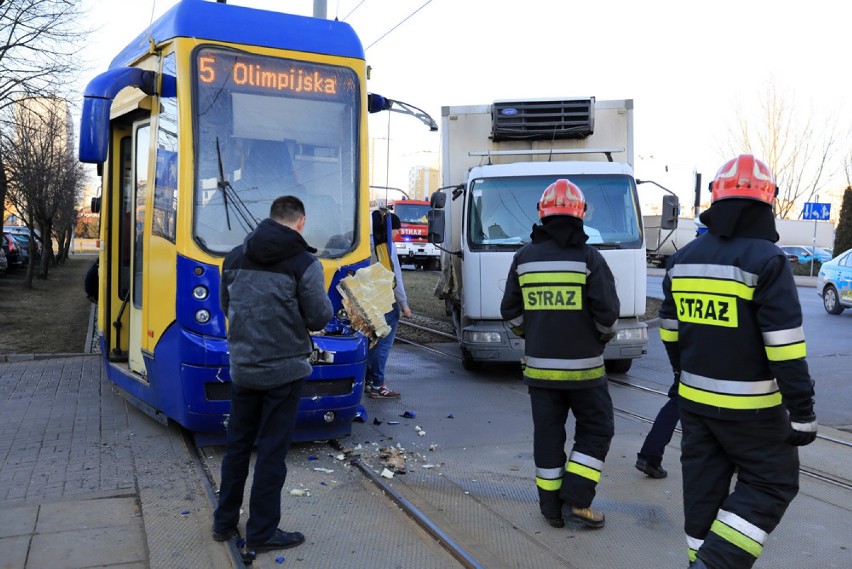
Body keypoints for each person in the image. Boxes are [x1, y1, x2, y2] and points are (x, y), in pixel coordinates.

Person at [659, 155, 817, 569]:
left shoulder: (682, 260)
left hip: (694, 404)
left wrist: (684, 374)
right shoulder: (767, 260)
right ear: (768, 201)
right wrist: (802, 412)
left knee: (702, 491)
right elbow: (784, 347)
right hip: (754, 412)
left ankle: (700, 559)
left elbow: (670, 332)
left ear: (717, 198)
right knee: (772, 483)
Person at [213, 196, 333, 552]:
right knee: (270, 453)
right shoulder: (304, 263)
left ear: (271, 218)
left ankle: (223, 523)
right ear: (300, 222)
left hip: (244, 368)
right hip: (284, 372)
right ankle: (262, 532)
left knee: (236, 448)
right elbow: (318, 317)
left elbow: (226, 307)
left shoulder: (234, 258)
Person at [500, 179, 620, 529]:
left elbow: (510, 312)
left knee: (548, 436)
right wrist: (597, 341)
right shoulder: (588, 257)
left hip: (539, 372)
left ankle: (551, 509)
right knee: (597, 429)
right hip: (586, 373)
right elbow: (608, 315)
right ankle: (577, 499)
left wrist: (532, 335)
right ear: (580, 214)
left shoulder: (523, 258)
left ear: (542, 214)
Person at [365, 208, 412, 398]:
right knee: (382, 345)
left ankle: (369, 382)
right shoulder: (387, 250)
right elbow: (396, 279)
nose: (398, 233)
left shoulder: (368, 246)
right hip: (387, 302)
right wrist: (404, 305)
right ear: (389, 228)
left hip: (370, 302)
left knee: (372, 342)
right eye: (396, 229)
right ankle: (378, 385)